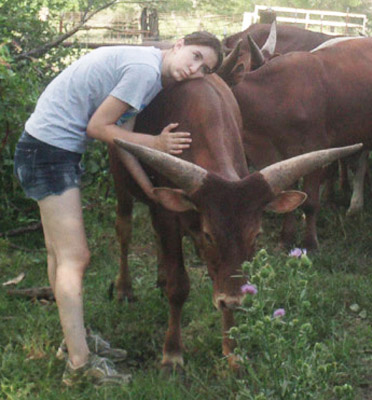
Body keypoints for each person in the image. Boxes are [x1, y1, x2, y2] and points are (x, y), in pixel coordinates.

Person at [13, 31, 222, 386]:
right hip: (48, 154)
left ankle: (72, 340)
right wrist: (157, 143)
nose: (195, 69)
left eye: (206, 68)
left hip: (46, 149)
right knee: (75, 257)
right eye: (196, 56)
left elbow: (121, 139)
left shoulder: (151, 74)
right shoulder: (144, 71)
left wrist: (148, 189)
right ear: (179, 45)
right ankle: (80, 367)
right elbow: (98, 128)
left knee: (58, 255)